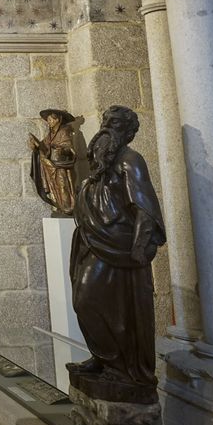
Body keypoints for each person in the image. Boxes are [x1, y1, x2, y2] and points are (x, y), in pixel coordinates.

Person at [67, 106, 166, 403]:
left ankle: (121, 367)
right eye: (107, 121)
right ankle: (104, 358)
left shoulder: (130, 160)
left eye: (116, 124)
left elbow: (145, 207)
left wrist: (139, 246)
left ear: (127, 132)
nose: (108, 127)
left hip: (118, 246)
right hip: (93, 241)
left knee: (103, 303)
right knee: (84, 300)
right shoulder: (103, 163)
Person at [28, 108, 78, 216]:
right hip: (51, 167)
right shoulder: (50, 135)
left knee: (63, 186)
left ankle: (68, 209)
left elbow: (69, 148)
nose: (49, 122)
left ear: (58, 120)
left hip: (61, 166)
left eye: (51, 119)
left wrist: (60, 150)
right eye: (48, 120)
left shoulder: (64, 131)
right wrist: (35, 146)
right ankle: (60, 207)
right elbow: (44, 146)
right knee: (54, 187)